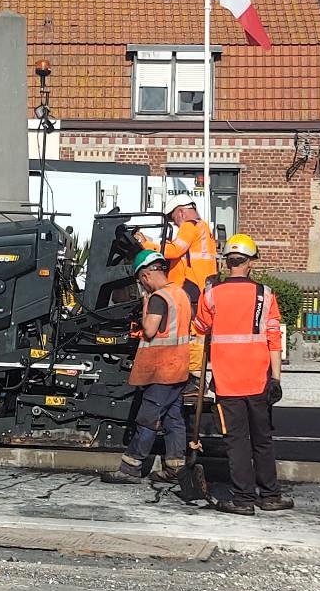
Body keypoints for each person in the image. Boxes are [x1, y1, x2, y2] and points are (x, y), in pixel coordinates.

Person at [196, 234, 289, 516]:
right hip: (259, 380)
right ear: (250, 263)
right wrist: (276, 378)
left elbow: (201, 327)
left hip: (227, 382)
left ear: (227, 263)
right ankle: (270, 495)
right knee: (262, 439)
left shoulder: (212, 293)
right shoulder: (266, 294)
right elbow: (275, 339)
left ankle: (243, 499)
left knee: (236, 441)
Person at [103, 250, 195, 485]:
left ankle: (130, 468)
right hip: (179, 368)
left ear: (145, 276)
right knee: (174, 419)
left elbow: (151, 330)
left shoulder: (158, 298)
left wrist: (145, 305)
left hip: (161, 369)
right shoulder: (180, 294)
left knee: (148, 418)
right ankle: (176, 468)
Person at [141, 194, 219, 293]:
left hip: (190, 283)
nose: (175, 224)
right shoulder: (203, 226)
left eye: (174, 219)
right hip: (203, 282)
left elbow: (174, 251)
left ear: (181, 213)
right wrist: (152, 241)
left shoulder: (189, 226)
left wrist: (145, 244)